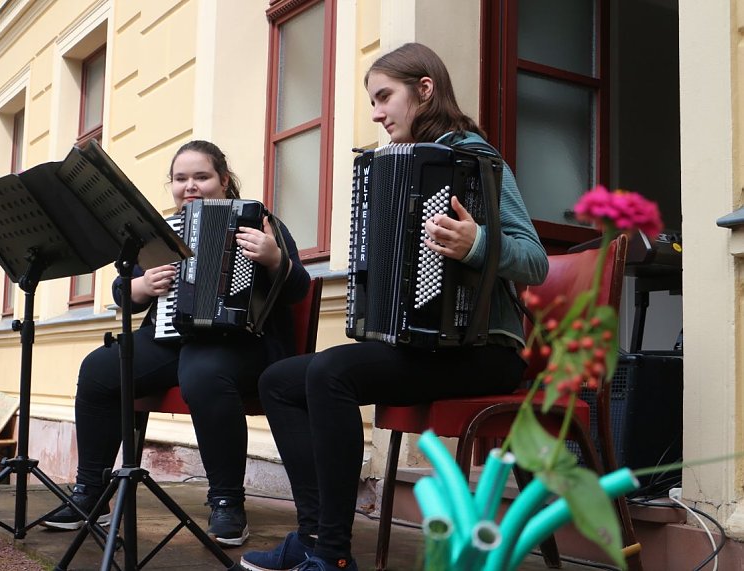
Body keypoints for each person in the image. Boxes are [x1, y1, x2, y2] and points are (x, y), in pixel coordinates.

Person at [240, 43, 549, 571]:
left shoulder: (475, 157)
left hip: (485, 350)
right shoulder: (397, 164)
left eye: (385, 97)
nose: (378, 113)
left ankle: (333, 556)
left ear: (424, 90)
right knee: (278, 382)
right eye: (372, 102)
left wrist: (476, 243)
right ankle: (314, 536)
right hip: (428, 349)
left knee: (334, 372)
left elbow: (535, 261)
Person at [41, 140, 311, 548]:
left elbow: (297, 290)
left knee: (203, 372)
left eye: (201, 177)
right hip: (170, 339)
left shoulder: (260, 222)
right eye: (181, 179)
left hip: (242, 343)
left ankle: (226, 502)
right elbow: (121, 290)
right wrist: (140, 286)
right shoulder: (160, 232)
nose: (190, 186)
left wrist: (274, 258)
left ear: (223, 180)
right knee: (99, 368)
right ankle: (89, 492)